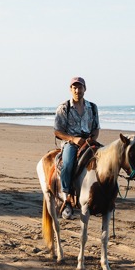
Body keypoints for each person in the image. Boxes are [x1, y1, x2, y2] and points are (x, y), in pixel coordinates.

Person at [53, 76, 100, 215]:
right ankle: (66, 198)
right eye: (75, 87)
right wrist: (73, 139)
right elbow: (57, 131)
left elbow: (96, 128)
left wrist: (92, 139)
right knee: (68, 164)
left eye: (80, 87)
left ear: (85, 89)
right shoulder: (64, 108)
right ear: (70, 89)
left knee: (107, 159)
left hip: (89, 141)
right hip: (71, 143)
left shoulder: (92, 107)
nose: (77, 90)